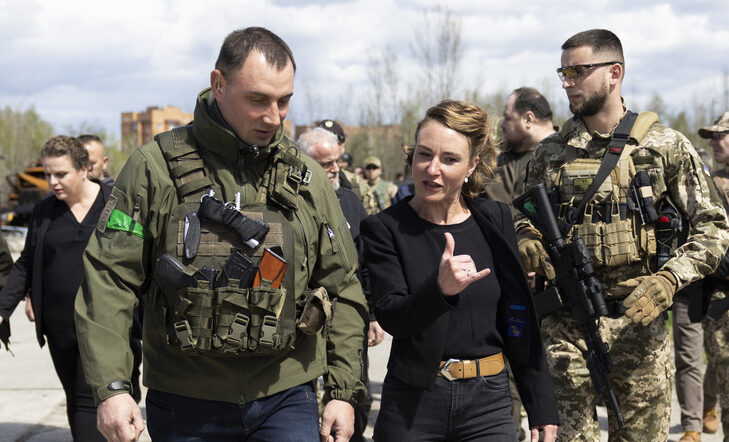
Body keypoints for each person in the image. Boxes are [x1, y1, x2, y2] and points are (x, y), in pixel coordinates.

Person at [74, 27, 368, 442]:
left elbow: (341, 286)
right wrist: (112, 388)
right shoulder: (152, 169)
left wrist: (341, 391)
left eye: (284, 101)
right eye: (257, 100)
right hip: (185, 401)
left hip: (287, 395)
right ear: (218, 84)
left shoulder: (308, 178)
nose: (273, 116)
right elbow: (109, 280)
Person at [515, 29, 729, 441]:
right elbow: (524, 214)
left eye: (577, 70)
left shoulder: (663, 146)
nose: (567, 82)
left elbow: (714, 228)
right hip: (566, 327)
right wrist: (526, 237)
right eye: (563, 72)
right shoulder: (549, 153)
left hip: (639, 327)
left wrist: (670, 278)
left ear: (614, 73)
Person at [361, 99, 559, 441]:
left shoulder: (495, 218)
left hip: (489, 405)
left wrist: (540, 405)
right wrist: (440, 290)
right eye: (424, 154)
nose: (432, 168)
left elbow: (518, 315)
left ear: (472, 166)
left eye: (449, 159)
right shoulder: (384, 228)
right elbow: (393, 316)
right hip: (413, 405)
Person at [0, 135, 124, 441]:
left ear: (84, 169)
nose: (52, 182)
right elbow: (26, 264)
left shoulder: (115, 207)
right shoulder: (44, 212)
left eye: (61, 174)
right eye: (48, 174)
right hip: (60, 330)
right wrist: (3, 309)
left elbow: (140, 259)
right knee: (76, 398)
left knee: (96, 401)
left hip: (109, 327)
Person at [298, 127, 384, 441]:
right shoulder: (291, 203)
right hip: (305, 318)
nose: (335, 169)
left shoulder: (350, 201)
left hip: (348, 313)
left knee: (354, 389)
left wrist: (372, 314)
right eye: (325, 163)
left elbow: (364, 262)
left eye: (338, 160)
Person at [698, 111, 729, 440]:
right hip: (722, 299)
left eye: (721, 135)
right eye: (711, 136)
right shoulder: (713, 184)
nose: (713, 142)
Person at [484, 87, 556, 211]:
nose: (502, 125)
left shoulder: (567, 158)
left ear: (528, 119)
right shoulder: (491, 157)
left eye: (507, 118)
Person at [316, 119, 378, 215]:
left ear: (343, 147)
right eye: (324, 141)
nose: (330, 146)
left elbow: (370, 221)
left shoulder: (357, 185)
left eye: (335, 142)